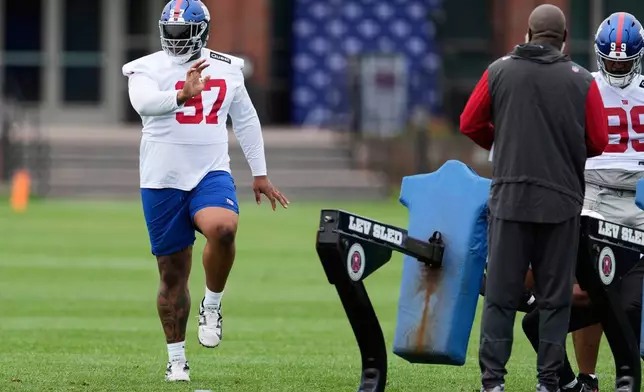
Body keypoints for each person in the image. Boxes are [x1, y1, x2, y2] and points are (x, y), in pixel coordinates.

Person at [122, 0, 289, 382]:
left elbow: (245, 119)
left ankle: (211, 304)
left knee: (224, 228)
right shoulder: (147, 66)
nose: (176, 41)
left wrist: (259, 173)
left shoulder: (227, 67)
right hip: (162, 178)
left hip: (209, 170)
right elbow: (142, 102)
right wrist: (182, 94)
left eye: (184, 33)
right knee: (172, 276)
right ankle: (176, 359)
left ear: (201, 32)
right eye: (171, 32)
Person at [459, 4, 609, 392]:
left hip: (510, 199)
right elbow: (599, 140)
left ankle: (493, 382)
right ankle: (548, 382)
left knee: (500, 297)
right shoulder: (581, 80)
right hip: (561, 203)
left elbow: (469, 122)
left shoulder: (499, 70)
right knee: (555, 300)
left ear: (527, 33)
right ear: (563, 40)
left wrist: (503, 142)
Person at [528, 12, 644, 392]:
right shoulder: (584, 85)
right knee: (591, 280)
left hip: (641, 194)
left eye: (624, 62)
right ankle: (587, 376)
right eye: (611, 60)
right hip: (593, 190)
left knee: (631, 294)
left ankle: (625, 371)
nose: (616, 68)